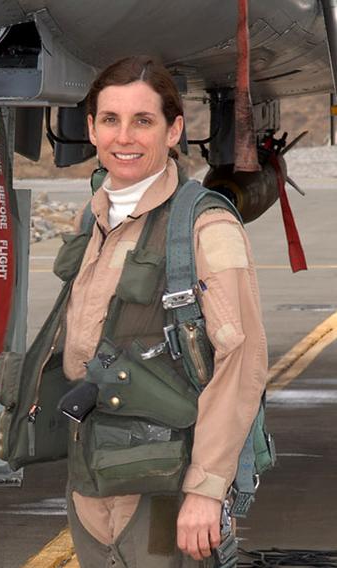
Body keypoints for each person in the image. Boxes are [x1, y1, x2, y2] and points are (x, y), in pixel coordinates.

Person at [57, 56, 268, 566]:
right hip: (92, 472)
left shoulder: (204, 228)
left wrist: (206, 489)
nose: (123, 137)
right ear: (90, 128)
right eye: (110, 120)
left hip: (166, 476)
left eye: (143, 121)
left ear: (174, 130)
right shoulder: (95, 215)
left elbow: (241, 365)